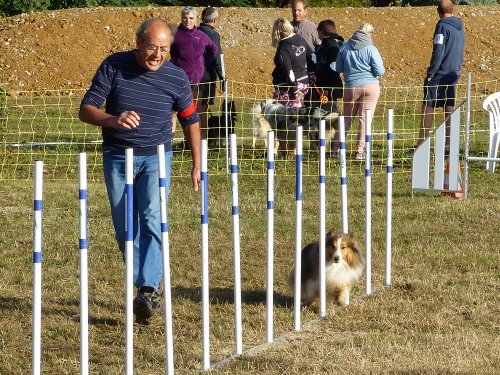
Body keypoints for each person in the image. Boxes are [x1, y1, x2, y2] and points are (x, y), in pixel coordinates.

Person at [79, 18, 201, 322]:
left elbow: (191, 119)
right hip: (118, 156)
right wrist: (112, 120)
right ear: (138, 43)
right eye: (152, 48)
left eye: (164, 49)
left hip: (157, 157)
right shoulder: (114, 65)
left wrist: (198, 164)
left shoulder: (176, 77)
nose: (157, 55)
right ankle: (142, 282)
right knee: (125, 228)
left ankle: (148, 289)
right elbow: (86, 109)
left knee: (152, 218)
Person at [414, 0, 465, 153]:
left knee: (428, 105)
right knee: (448, 106)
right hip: (454, 72)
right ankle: (448, 145)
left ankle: (421, 146)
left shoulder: (442, 25)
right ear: (452, 9)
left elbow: (438, 51)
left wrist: (431, 72)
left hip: (440, 73)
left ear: (438, 11)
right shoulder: (460, 28)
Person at [332, 22, 385, 160]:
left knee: (347, 118)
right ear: (369, 33)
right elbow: (380, 70)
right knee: (364, 119)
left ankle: (336, 148)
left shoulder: (345, 47)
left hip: (351, 87)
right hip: (370, 86)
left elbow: (338, 68)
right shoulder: (371, 49)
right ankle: (359, 151)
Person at [170, 6, 218, 140]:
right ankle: (169, 141)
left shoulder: (201, 35)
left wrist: (203, 64)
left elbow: (213, 49)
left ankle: (202, 141)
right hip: (179, 79)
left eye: (191, 18)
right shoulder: (175, 34)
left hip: (197, 80)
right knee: (174, 111)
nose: (187, 20)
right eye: (185, 18)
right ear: (181, 18)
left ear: (196, 19)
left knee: (198, 112)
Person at [271, 17, 309, 109]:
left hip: (289, 87)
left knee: (285, 117)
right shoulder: (301, 40)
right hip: (303, 82)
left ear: (277, 32)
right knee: (296, 113)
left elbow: (289, 72)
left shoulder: (283, 48)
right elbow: (311, 56)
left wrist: (295, 90)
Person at [311, 19, 344, 113]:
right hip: (325, 86)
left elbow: (334, 69)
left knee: (329, 116)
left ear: (321, 31)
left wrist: (326, 89)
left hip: (328, 88)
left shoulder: (332, 47)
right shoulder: (326, 45)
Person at [198, 6, 225, 107]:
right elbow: (218, 57)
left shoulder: (193, 32)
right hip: (205, 77)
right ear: (214, 20)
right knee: (203, 108)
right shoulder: (213, 34)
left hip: (190, 75)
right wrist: (223, 79)